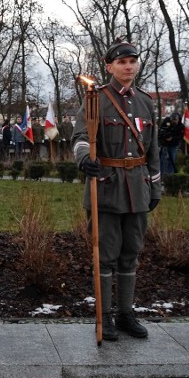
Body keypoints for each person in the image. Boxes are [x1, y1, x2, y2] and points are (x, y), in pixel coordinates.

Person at [72, 40, 162, 342]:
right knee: (106, 256)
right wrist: (85, 158)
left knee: (130, 255)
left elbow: (153, 150)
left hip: (138, 189)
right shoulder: (97, 99)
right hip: (106, 187)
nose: (129, 66)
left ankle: (126, 314)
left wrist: (155, 185)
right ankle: (105, 316)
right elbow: (81, 135)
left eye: (132, 61)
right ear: (109, 66)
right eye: (122, 62)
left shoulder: (146, 102)